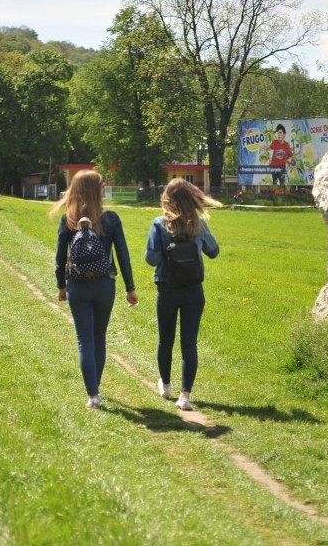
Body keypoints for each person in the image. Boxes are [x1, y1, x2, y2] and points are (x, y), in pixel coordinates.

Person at [51, 170, 138, 409]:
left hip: (78, 286)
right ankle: (95, 388)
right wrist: (130, 288)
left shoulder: (68, 220)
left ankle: (93, 395)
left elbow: (60, 257)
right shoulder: (111, 219)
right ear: (97, 191)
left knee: (84, 341)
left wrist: (61, 285)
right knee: (99, 338)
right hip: (104, 285)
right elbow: (123, 255)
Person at [145, 179, 221, 411]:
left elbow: (151, 259)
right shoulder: (198, 225)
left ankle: (166, 385)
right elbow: (214, 251)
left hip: (167, 288)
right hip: (193, 290)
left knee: (165, 340)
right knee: (189, 343)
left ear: (167, 198)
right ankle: (185, 395)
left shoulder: (159, 224)